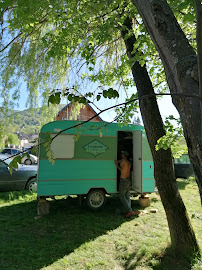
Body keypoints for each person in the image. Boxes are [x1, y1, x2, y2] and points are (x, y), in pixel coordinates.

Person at [114, 151, 136, 218]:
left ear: (124, 155)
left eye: (122, 154)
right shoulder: (128, 162)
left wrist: (117, 165)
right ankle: (127, 210)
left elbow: (122, 170)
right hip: (128, 180)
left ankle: (130, 210)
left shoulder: (123, 162)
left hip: (123, 181)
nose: (121, 155)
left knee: (121, 195)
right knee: (127, 195)